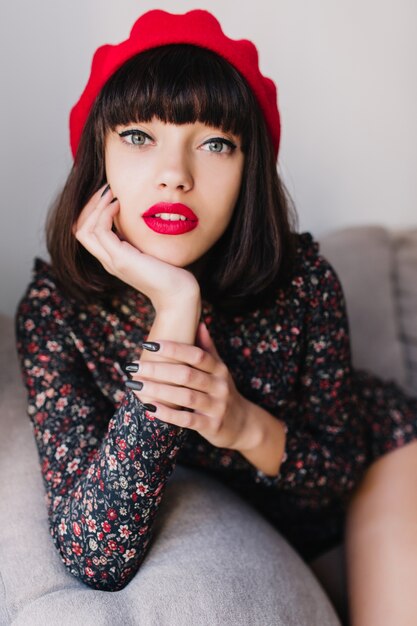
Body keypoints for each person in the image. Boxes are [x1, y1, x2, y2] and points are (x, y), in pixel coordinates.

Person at [15, 8, 417, 623]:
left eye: (214, 143)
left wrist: (237, 423)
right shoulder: (56, 311)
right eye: (139, 137)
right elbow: (97, 554)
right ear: (98, 157)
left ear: (247, 170)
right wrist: (175, 305)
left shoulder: (304, 283)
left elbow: (338, 473)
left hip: (383, 457)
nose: (176, 176)